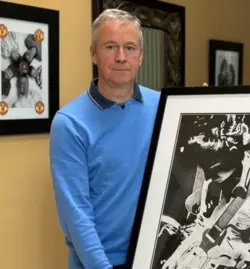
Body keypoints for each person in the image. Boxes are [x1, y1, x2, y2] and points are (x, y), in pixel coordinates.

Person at [49, 8, 160, 269]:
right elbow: (77, 216)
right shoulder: (69, 124)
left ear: (141, 56)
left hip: (155, 255)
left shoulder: (162, 106)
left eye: (130, 48)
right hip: (101, 263)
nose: (121, 57)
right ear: (93, 54)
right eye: (110, 46)